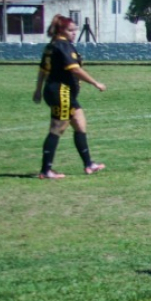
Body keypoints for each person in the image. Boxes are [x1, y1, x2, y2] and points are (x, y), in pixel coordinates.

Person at [32, 14, 107, 179]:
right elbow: (75, 69)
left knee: (80, 124)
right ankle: (46, 170)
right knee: (57, 128)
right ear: (61, 30)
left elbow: (43, 70)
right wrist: (95, 83)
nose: (74, 33)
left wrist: (38, 90)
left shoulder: (51, 46)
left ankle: (89, 164)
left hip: (58, 91)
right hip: (61, 92)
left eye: (75, 30)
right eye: (70, 30)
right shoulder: (63, 45)